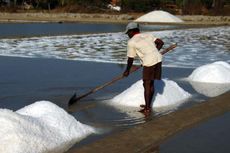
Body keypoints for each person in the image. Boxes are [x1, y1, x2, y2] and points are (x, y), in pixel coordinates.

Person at [123, 22, 164, 115]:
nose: (128, 35)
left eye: (128, 33)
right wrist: (153, 53)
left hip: (149, 63)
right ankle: (147, 105)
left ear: (132, 31)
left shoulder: (132, 42)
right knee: (151, 82)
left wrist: (127, 70)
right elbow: (161, 43)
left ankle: (147, 108)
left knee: (147, 84)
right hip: (158, 59)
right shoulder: (147, 35)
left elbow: (130, 58)